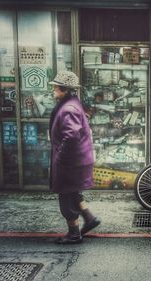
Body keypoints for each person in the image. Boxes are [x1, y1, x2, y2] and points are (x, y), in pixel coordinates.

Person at [48, 71, 100, 244]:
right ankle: (89, 217)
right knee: (73, 192)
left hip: (70, 162)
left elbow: (71, 137)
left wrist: (60, 158)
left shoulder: (68, 108)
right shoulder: (71, 103)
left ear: (64, 89)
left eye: (56, 86)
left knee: (66, 197)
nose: (53, 89)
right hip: (76, 160)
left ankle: (73, 234)